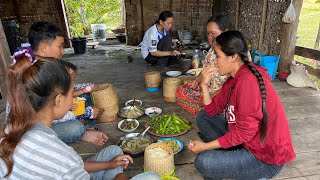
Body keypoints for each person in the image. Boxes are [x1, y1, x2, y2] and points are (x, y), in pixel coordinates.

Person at [0, 53, 161, 180]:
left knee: (115, 151)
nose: (74, 99)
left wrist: (109, 164)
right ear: (58, 100)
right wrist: (121, 177)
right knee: (152, 177)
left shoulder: (15, 125)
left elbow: (72, 166)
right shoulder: (57, 155)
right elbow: (67, 165)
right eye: (72, 93)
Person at [188, 30, 296, 179]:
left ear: (233, 57)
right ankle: (228, 155)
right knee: (203, 116)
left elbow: (244, 133)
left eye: (218, 57)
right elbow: (212, 111)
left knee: (203, 161)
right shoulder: (233, 79)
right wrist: (204, 87)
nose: (214, 62)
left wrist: (205, 147)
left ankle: (242, 166)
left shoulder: (248, 82)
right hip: (248, 142)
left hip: (265, 157)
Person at [176, 15, 231, 115]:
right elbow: (206, 70)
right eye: (208, 34)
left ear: (226, 32)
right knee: (181, 91)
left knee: (204, 111)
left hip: (222, 95)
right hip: (208, 89)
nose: (210, 37)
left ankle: (209, 111)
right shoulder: (212, 49)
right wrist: (196, 80)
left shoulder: (233, 51)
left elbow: (232, 85)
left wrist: (210, 96)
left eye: (213, 33)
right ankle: (205, 108)